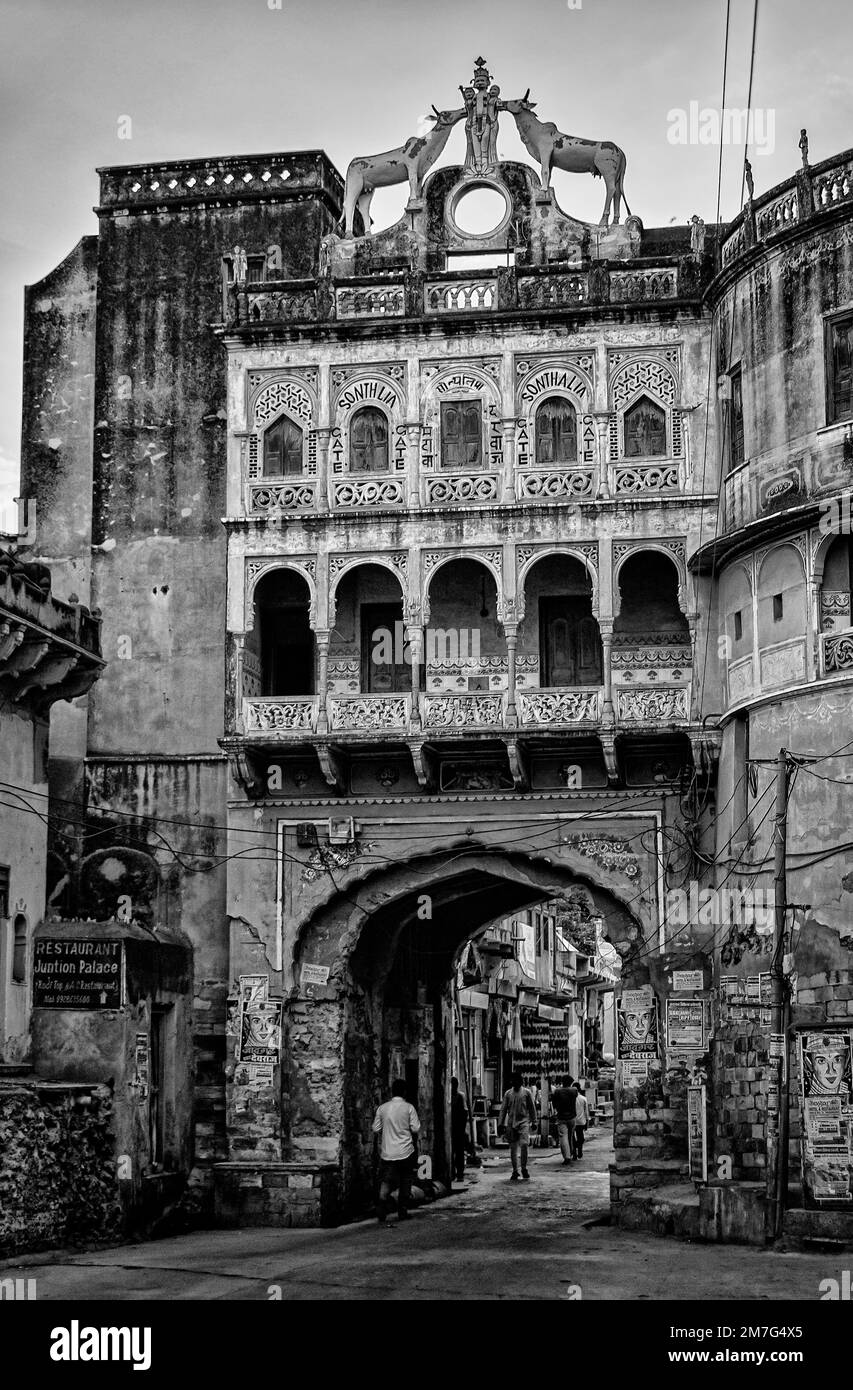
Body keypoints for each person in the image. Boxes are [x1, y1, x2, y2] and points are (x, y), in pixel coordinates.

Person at [372, 1078, 421, 1223]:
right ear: (404, 1092)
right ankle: (402, 1211)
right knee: (406, 1180)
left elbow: (375, 1128)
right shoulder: (409, 1108)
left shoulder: (383, 1108)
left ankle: (381, 1206)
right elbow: (415, 1128)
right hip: (406, 1151)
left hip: (388, 1152)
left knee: (386, 1180)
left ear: (392, 1091)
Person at [498, 1070, 536, 1181]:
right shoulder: (508, 1094)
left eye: (517, 1080)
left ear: (521, 1081)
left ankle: (524, 1168)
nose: (515, 1082)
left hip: (523, 1122)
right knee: (513, 1148)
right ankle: (515, 1170)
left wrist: (534, 1122)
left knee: (524, 1144)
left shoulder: (526, 1093)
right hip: (511, 1123)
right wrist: (501, 1124)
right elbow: (503, 1110)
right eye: (513, 1080)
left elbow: (532, 1108)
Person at [551, 1075, 579, 1165]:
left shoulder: (557, 1091)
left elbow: (554, 1104)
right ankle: (570, 1153)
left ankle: (567, 1156)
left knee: (563, 1137)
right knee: (570, 1136)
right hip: (572, 1117)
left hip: (561, 1117)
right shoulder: (574, 1090)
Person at [450, 1077, 469, 1183]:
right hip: (450, 1128)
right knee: (452, 1151)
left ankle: (460, 1173)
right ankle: (452, 1172)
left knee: (459, 1151)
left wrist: (462, 1128)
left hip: (458, 1127)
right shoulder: (448, 1096)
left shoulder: (460, 1096)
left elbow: (464, 1112)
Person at [572, 1083, 589, 1160]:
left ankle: (574, 1153)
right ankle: (579, 1151)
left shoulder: (570, 1099)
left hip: (572, 1121)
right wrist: (587, 1121)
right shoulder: (583, 1098)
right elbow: (586, 1112)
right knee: (580, 1137)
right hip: (581, 1121)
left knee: (572, 1137)